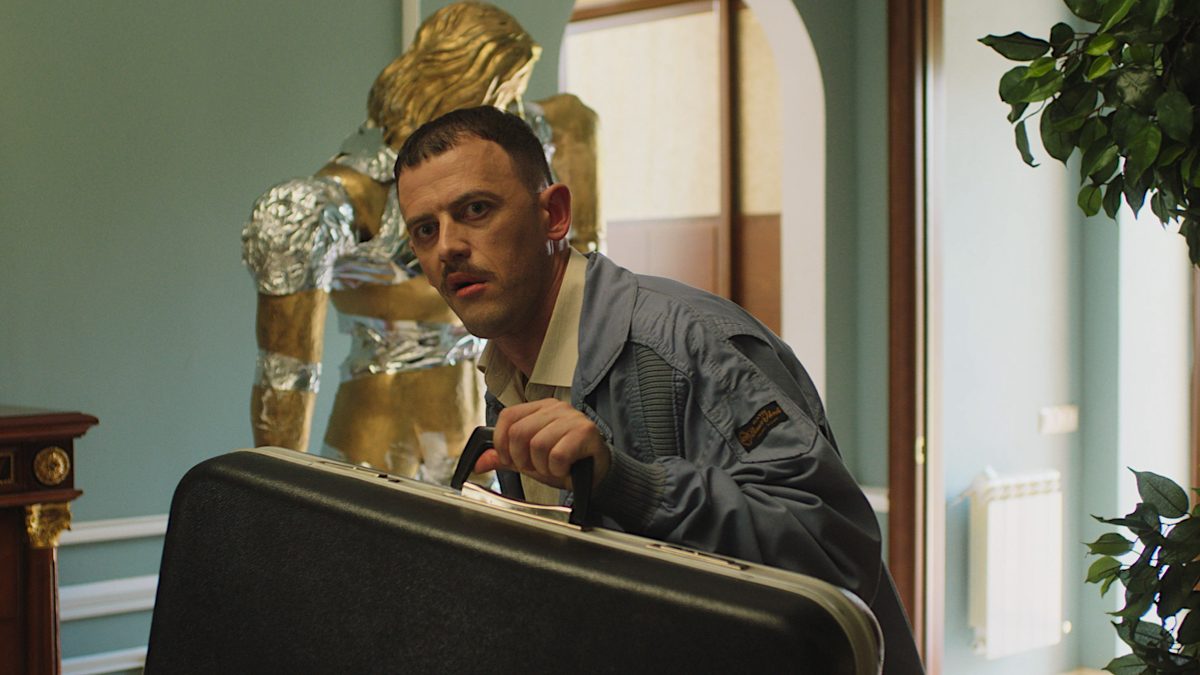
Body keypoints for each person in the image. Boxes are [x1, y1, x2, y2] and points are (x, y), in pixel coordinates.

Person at [393, 105, 924, 674]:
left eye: (475, 210)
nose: (447, 247)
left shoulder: (690, 344)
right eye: (425, 230)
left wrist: (630, 485)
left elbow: (834, 552)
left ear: (554, 215)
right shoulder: (507, 372)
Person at [241, 1, 599, 483]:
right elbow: (287, 374)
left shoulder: (518, 151)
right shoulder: (320, 205)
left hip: (485, 437)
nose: (514, 112)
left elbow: (572, 120)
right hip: (375, 445)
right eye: (505, 97)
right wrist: (276, 500)